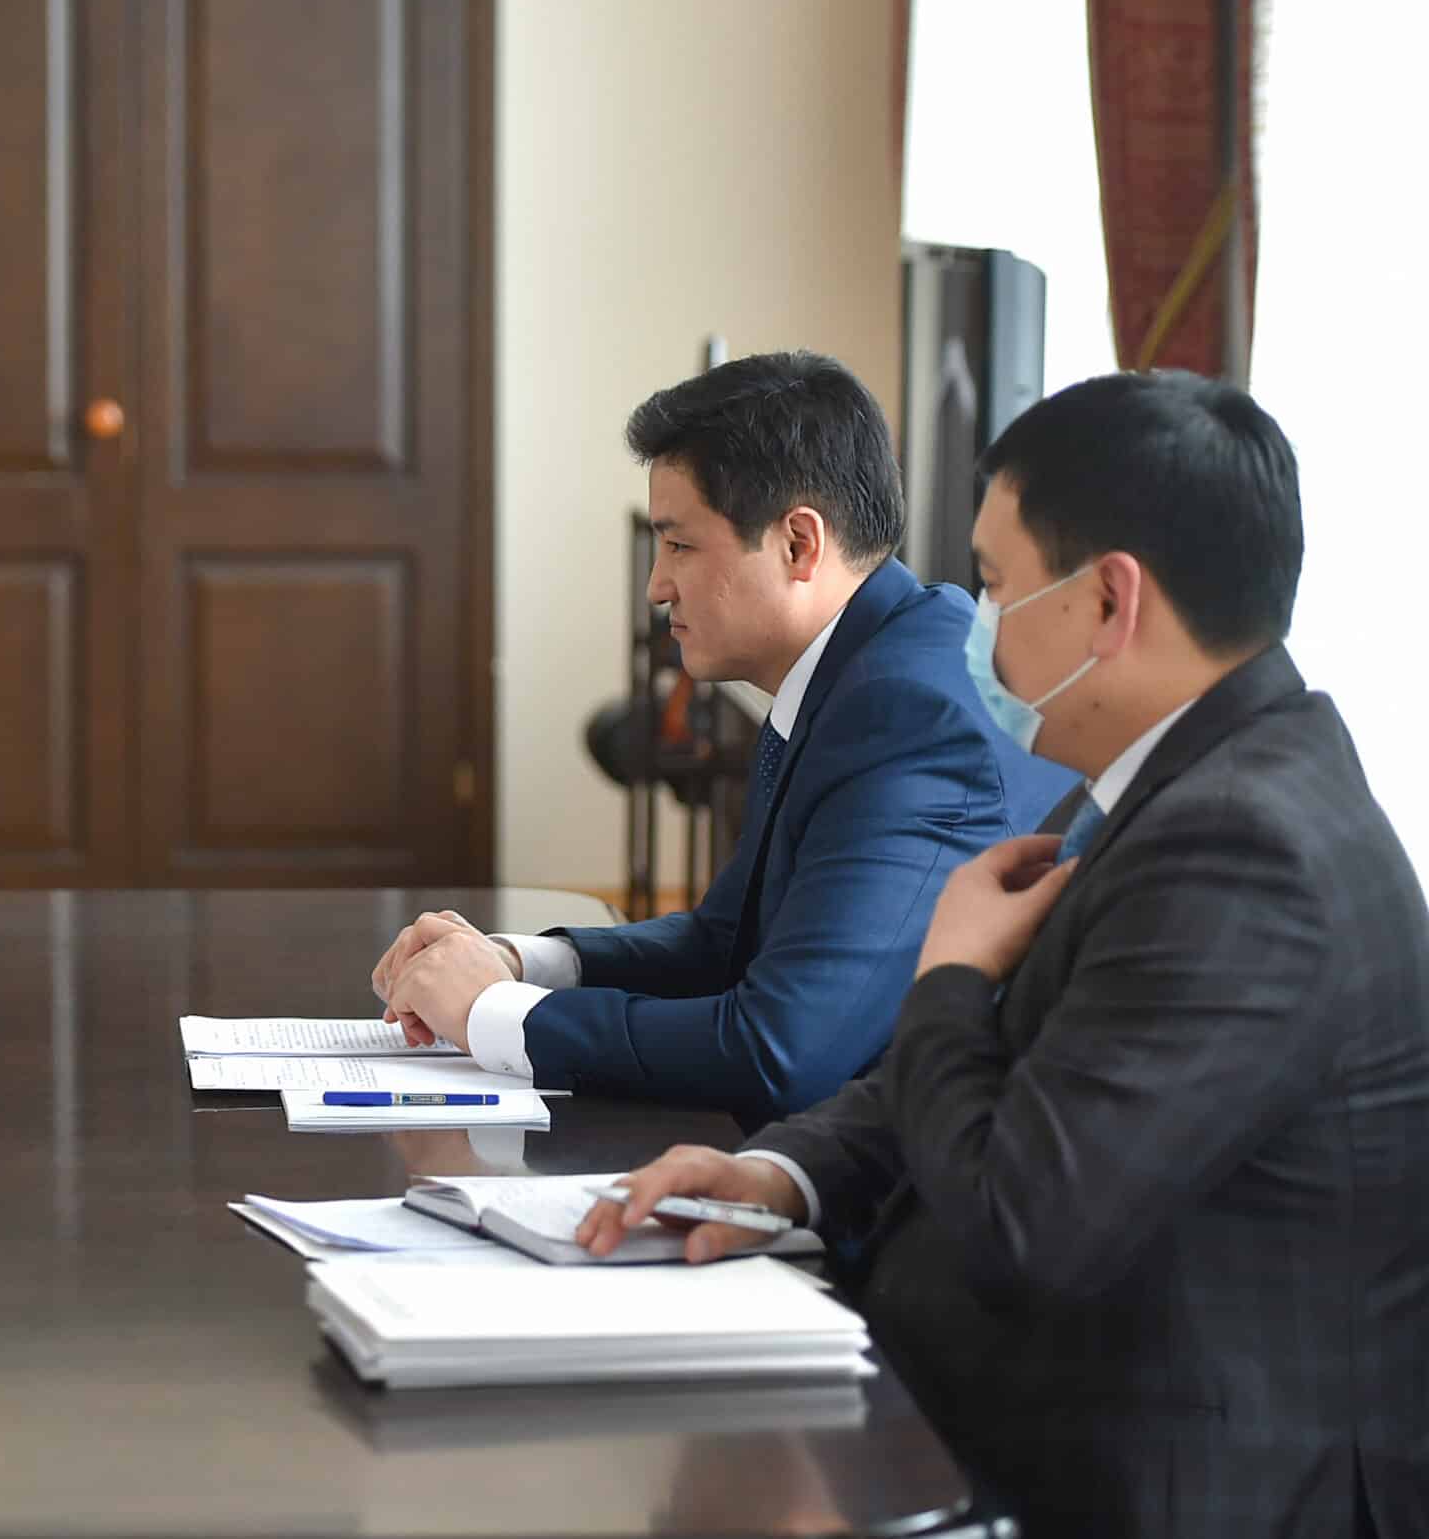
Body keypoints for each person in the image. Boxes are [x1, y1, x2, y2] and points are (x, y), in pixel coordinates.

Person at [575, 373, 1429, 1538]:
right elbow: (1014, 1073)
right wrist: (783, 1172)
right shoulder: (1175, 783)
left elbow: (1023, 1224)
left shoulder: (1246, 847)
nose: (973, 623)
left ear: (1108, 601)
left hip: (1163, 1476)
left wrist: (949, 978)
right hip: (1042, 1406)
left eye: (994, 584)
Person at [375, 352, 1071, 1127]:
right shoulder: (857, 665)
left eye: (678, 545)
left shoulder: (913, 713)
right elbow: (726, 940)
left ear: (799, 544)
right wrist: (518, 962)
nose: (656, 586)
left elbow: (780, 1049)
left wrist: (493, 1014)